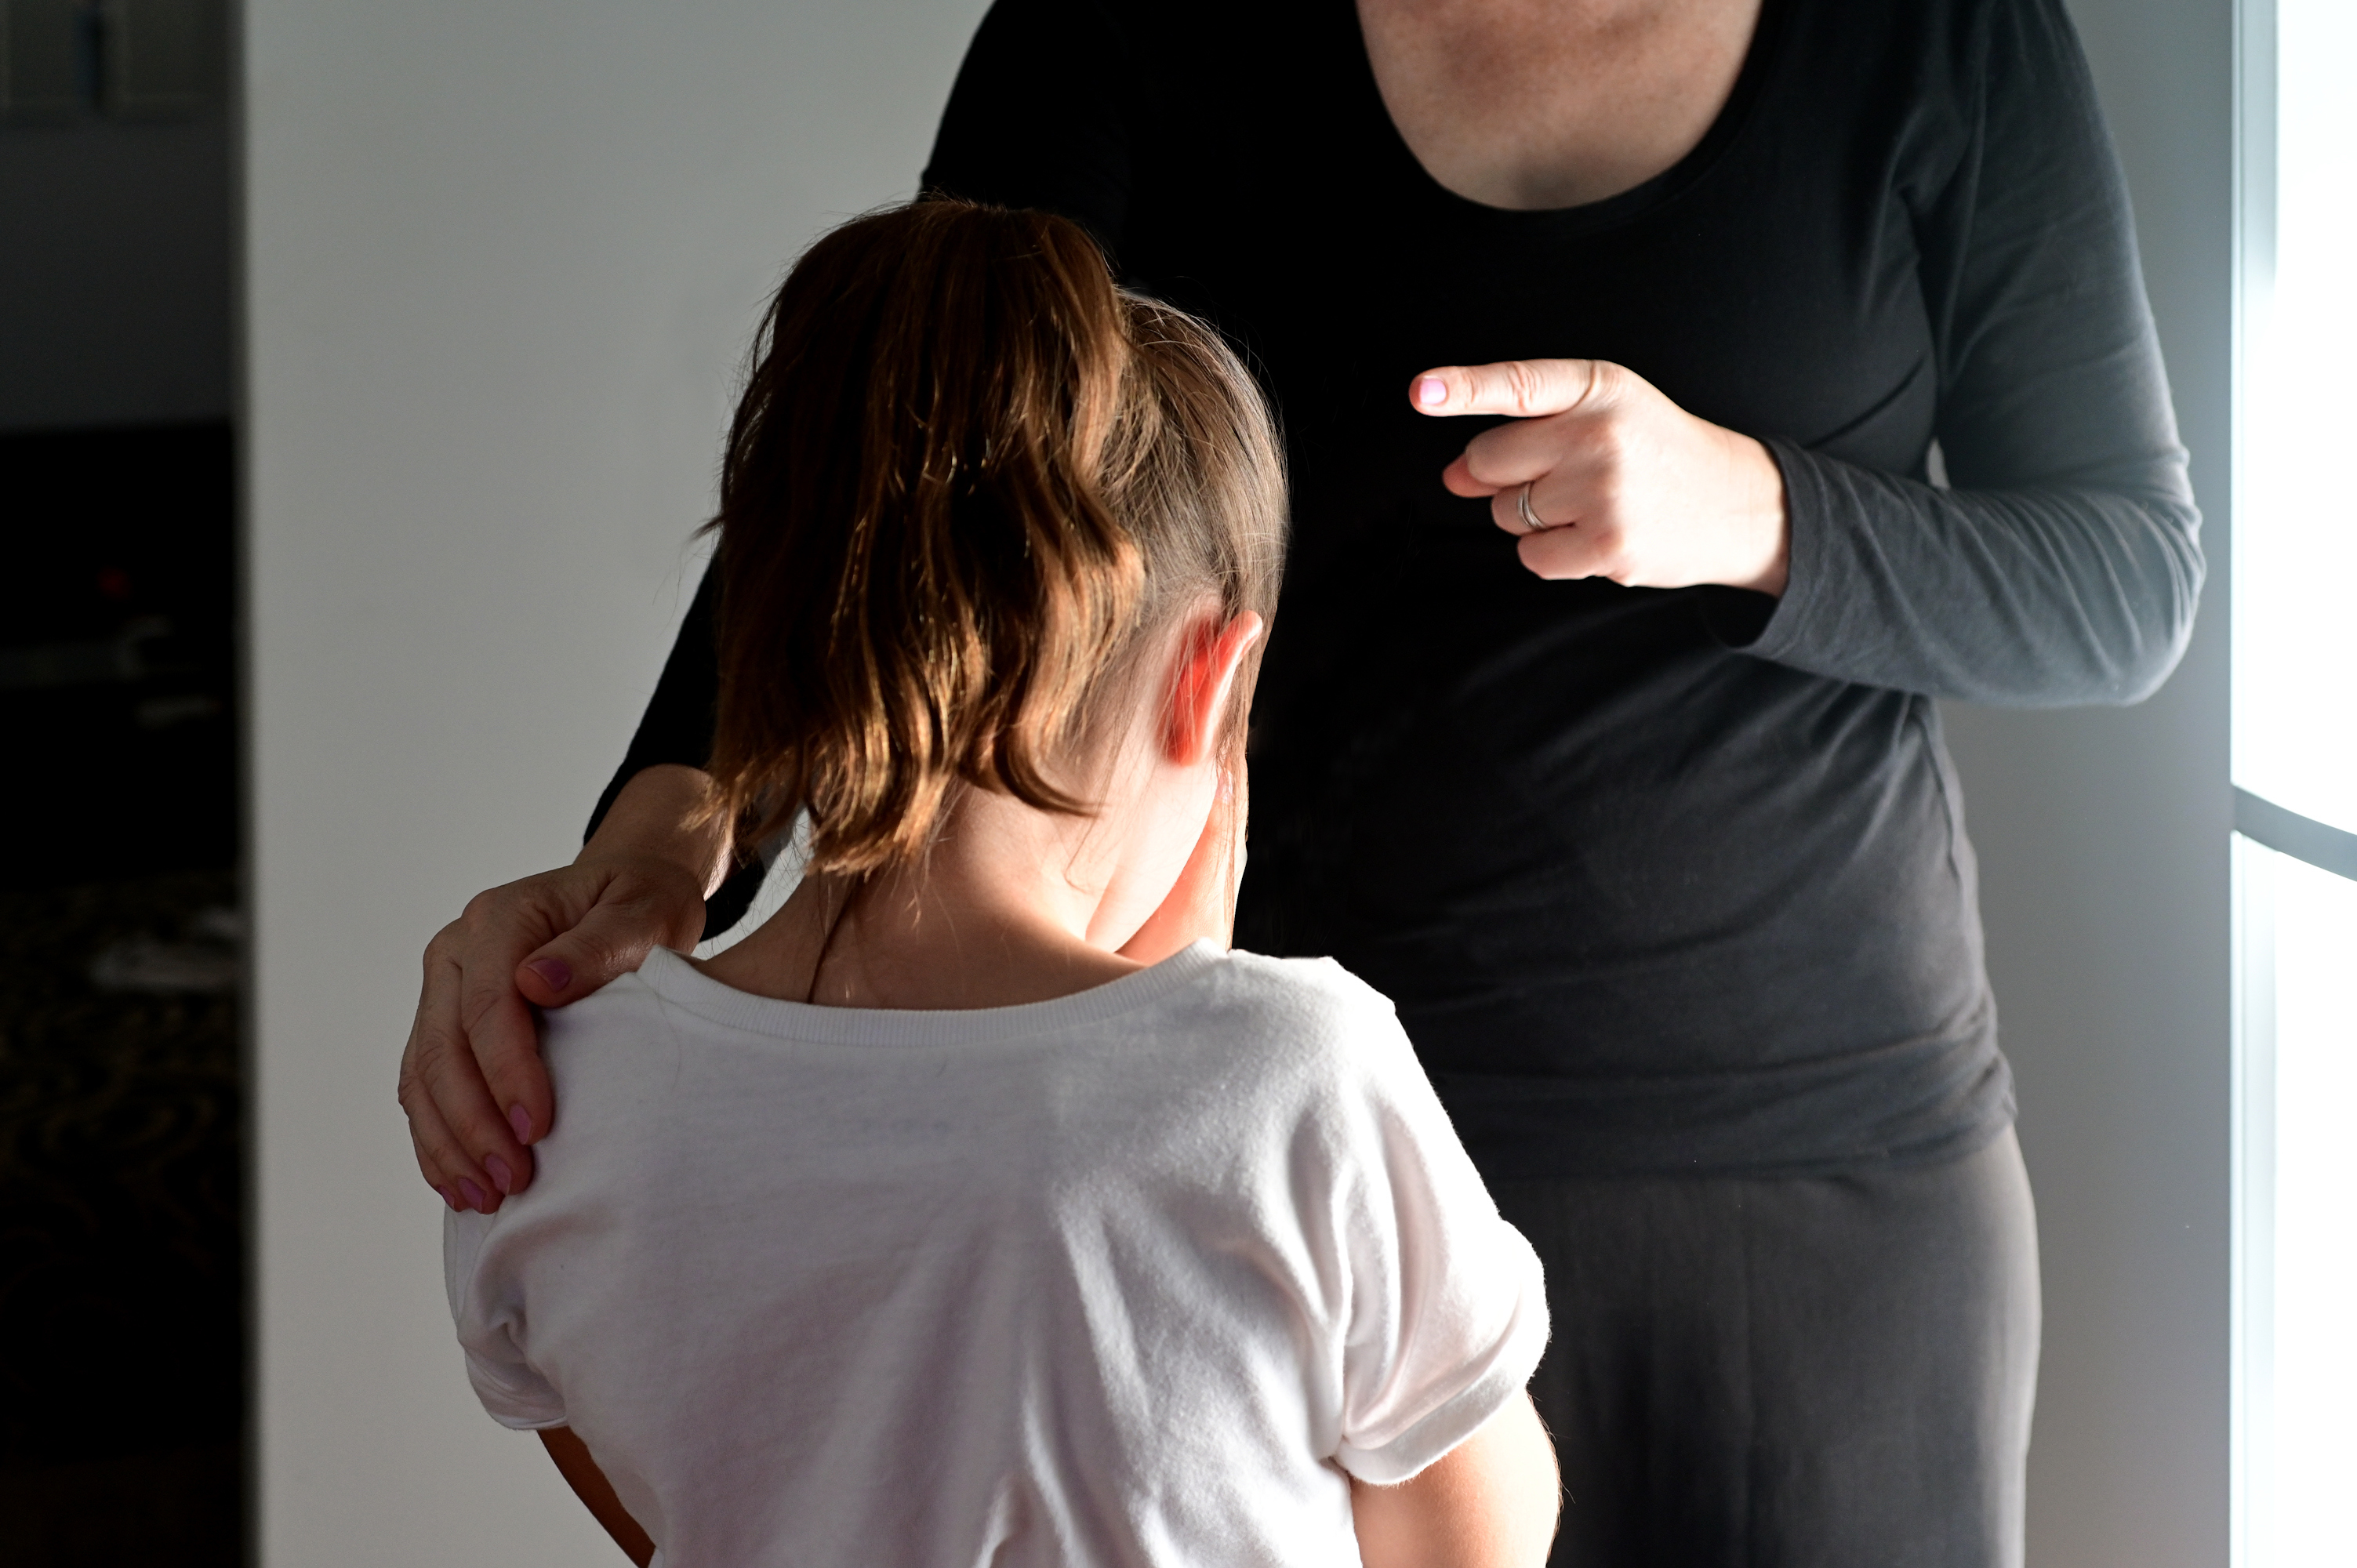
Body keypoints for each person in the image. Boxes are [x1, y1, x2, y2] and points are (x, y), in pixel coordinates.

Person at [402, 0, 2202, 1562]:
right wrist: (660, 843)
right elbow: (891, 459)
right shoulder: (1132, 25)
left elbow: (2126, 587)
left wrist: (1758, 507)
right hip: (1256, 1156)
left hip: (1817, 1154)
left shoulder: (1946, 32)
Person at [438, 200, 1561, 1568]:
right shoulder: (1291, 1081)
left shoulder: (547, 1101)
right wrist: (1187, 1024)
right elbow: (1479, 1538)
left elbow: (670, 1509)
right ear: (1212, 684)